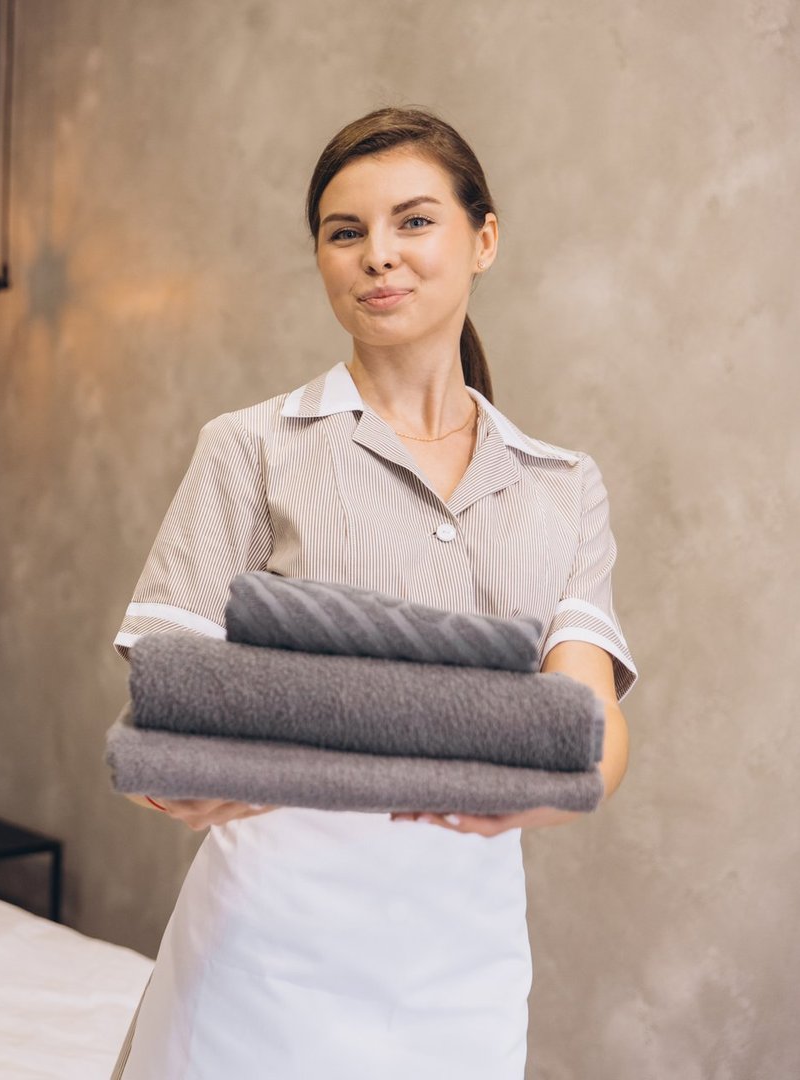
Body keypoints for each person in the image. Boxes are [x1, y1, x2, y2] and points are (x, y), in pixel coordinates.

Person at [109, 106, 638, 1079]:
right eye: (344, 233)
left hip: (465, 960)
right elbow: (163, 702)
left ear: (484, 239)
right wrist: (187, 772)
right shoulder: (253, 448)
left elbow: (590, 730)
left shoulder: (560, 483)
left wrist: (545, 788)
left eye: (413, 222)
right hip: (268, 950)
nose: (377, 258)